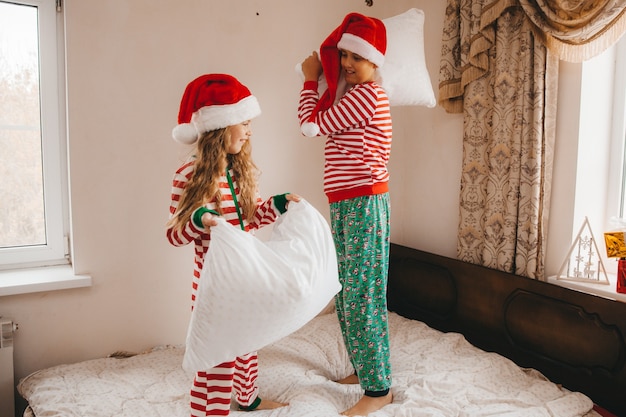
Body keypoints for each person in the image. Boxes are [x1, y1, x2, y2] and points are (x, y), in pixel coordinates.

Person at [166, 73, 298, 416]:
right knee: (216, 357)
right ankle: (207, 412)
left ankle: (249, 398)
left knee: (247, 344)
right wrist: (200, 220)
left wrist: (279, 203)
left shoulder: (239, 173)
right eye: (244, 122)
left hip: (246, 278)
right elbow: (174, 234)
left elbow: (251, 218)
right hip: (214, 285)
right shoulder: (188, 175)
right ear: (221, 126)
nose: (249, 130)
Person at [297, 12, 393, 417]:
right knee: (349, 291)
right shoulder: (356, 95)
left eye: (357, 56)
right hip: (349, 203)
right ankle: (364, 367)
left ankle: (378, 388)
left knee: (360, 295)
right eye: (344, 55)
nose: (348, 63)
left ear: (375, 62)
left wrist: (308, 79)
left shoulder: (367, 95)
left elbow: (309, 125)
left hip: (361, 204)